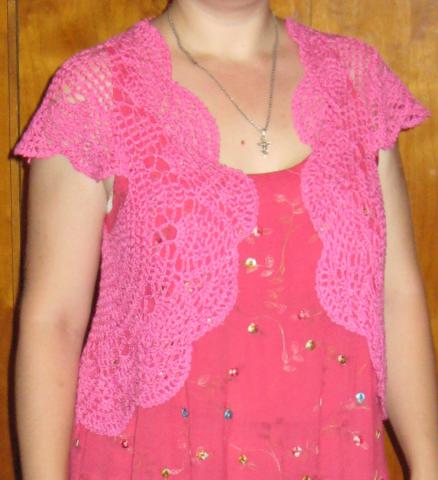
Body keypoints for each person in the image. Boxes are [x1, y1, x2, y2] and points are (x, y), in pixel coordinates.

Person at [11, 0, 438, 479]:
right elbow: (53, 321)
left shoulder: (356, 78)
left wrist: (429, 465)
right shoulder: (96, 91)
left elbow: (396, 293)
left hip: (334, 454)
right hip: (156, 458)